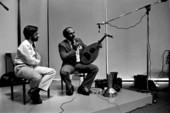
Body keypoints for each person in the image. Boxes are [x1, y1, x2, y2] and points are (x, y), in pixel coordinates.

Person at [14, 25, 56, 104]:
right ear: (30, 35)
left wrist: (36, 60)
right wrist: (38, 60)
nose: (38, 35)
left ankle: (34, 91)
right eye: (36, 34)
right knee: (37, 77)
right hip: (21, 68)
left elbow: (34, 59)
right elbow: (31, 61)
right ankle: (35, 93)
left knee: (52, 71)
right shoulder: (24, 45)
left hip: (31, 66)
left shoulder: (33, 43)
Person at [58, 27, 99, 96]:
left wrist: (96, 47)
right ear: (65, 36)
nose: (73, 35)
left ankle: (84, 87)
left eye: (73, 32)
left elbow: (87, 49)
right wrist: (74, 50)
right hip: (69, 64)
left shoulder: (79, 40)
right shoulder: (62, 44)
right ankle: (70, 86)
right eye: (70, 34)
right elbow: (64, 57)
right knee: (63, 72)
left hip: (80, 63)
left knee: (95, 68)